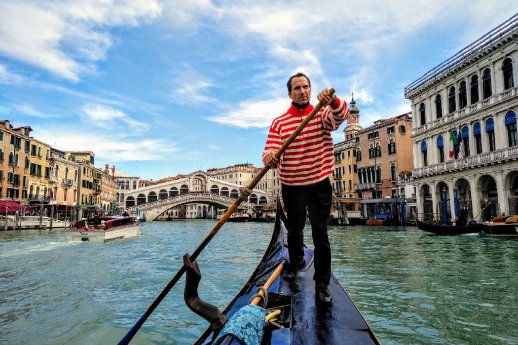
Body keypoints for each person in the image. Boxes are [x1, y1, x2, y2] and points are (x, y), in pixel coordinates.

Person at [262, 72, 349, 305]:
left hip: (319, 182)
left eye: (306, 86)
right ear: (290, 93)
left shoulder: (321, 113)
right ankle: (295, 263)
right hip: (292, 185)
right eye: (297, 88)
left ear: (311, 90)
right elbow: (269, 149)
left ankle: (322, 285)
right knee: (294, 230)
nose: (302, 91)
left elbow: (341, 116)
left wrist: (332, 100)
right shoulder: (279, 122)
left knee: (320, 234)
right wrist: (270, 156)